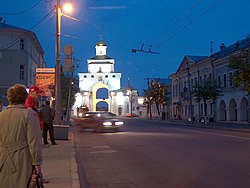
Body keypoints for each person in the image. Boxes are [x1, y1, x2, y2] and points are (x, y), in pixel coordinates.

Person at [0, 84, 42, 188]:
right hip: (21, 159)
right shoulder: (29, 115)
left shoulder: (1, 116)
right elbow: (34, 141)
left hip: (2, 159)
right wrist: (36, 162)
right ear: (24, 97)